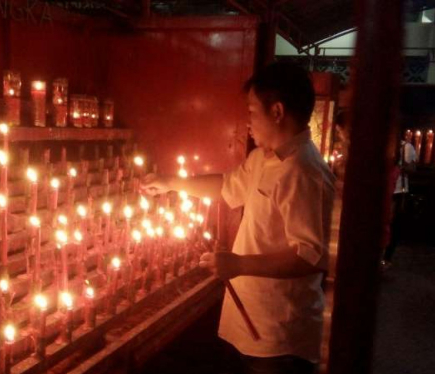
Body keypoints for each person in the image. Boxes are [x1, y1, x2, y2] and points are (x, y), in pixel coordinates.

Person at [141, 62, 335, 374]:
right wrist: (170, 182)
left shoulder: (303, 172)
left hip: (278, 335)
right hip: (251, 322)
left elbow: (310, 256)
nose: (248, 123)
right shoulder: (263, 159)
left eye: (252, 112)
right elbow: (227, 186)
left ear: (277, 112)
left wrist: (239, 264)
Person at [381, 130, 417, 270]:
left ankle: (387, 256)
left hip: (397, 189)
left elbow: (412, 168)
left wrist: (399, 166)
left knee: (393, 223)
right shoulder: (383, 144)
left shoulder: (406, 147)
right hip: (384, 187)